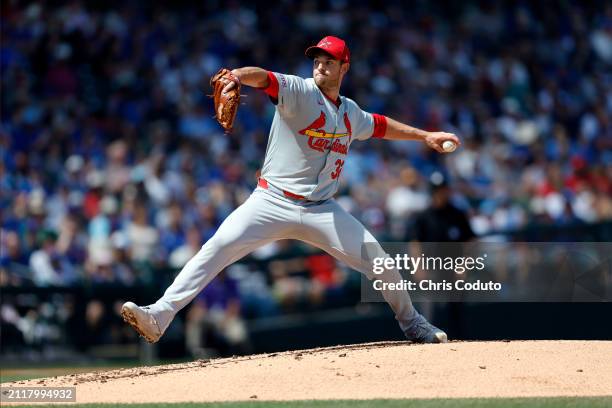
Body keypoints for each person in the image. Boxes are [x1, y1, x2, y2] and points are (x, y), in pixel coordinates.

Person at [121, 36, 460, 344]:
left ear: (345, 67)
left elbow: (381, 125)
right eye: (317, 59)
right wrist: (237, 75)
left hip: (321, 209)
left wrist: (425, 136)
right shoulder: (299, 91)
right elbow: (264, 78)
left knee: (381, 262)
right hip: (271, 201)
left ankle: (413, 324)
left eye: (329, 60)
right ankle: (159, 315)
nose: (320, 65)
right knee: (218, 246)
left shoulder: (350, 113)